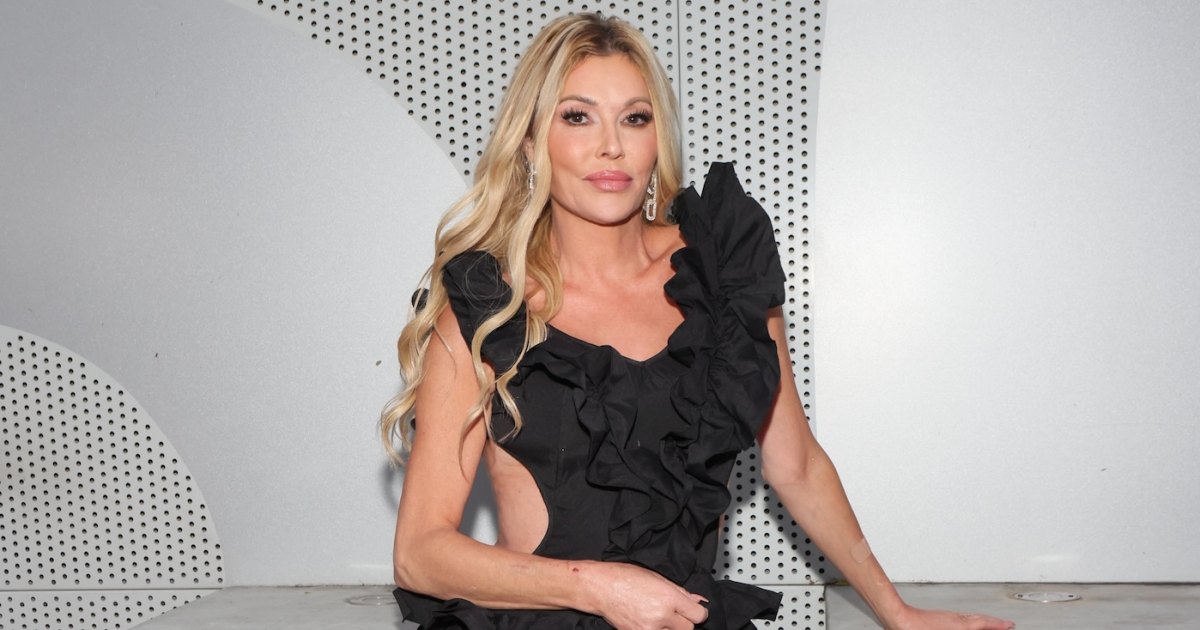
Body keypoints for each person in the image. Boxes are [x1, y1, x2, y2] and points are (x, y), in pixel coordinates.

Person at [380, 12, 1016, 630]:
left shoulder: (722, 269)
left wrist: (899, 614)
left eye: (635, 118)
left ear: (658, 138)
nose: (611, 145)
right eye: (577, 116)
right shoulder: (486, 307)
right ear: (529, 143)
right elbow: (419, 554)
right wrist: (599, 588)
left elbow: (796, 465)